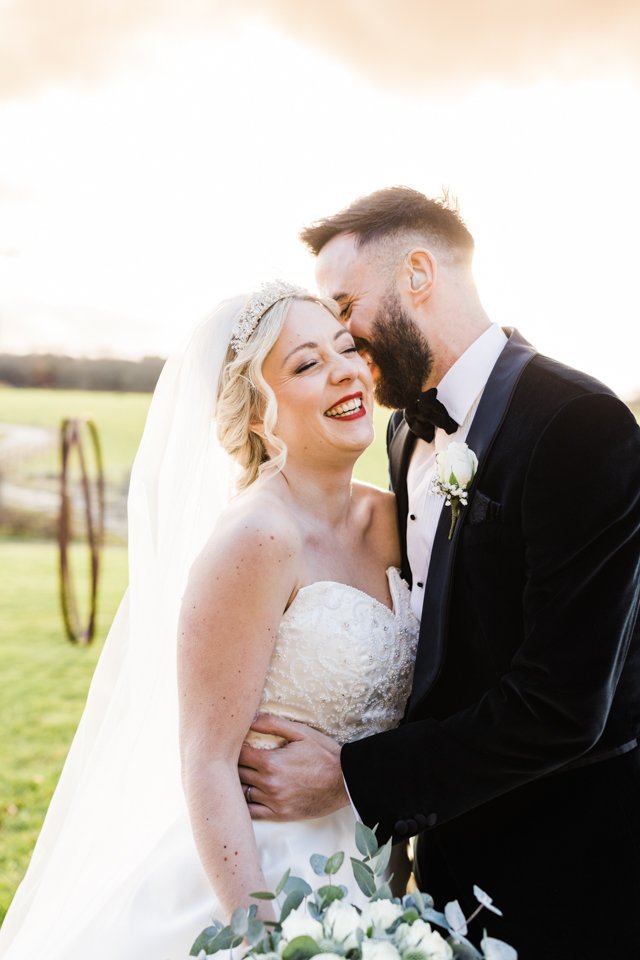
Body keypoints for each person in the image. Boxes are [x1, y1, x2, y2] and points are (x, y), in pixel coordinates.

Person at [239, 188, 640, 959]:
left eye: (346, 304)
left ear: (419, 273)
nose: (344, 339)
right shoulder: (398, 433)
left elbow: (562, 706)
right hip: (436, 876)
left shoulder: (579, 426)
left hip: (569, 876)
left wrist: (355, 779)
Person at [0, 282, 420, 959]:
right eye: (306, 364)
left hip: (370, 880)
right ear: (257, 414)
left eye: (345, 348)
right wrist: (263, 937)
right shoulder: (256, 540)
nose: (345, 370)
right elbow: (207, 760)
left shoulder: (397, 520)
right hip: (255, 880)